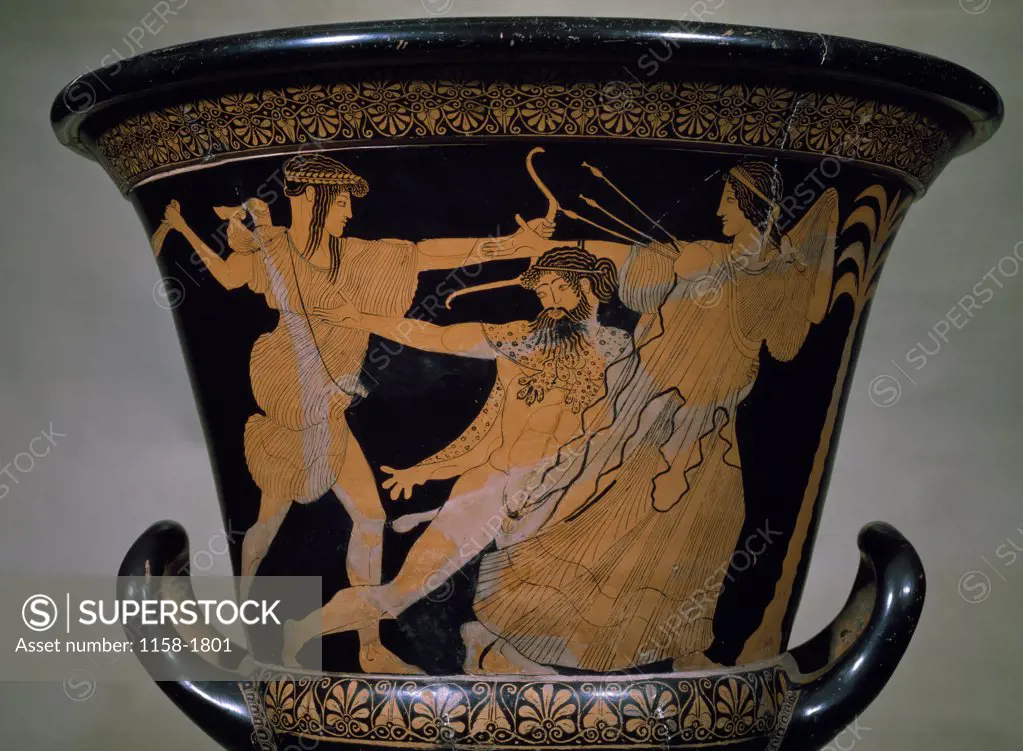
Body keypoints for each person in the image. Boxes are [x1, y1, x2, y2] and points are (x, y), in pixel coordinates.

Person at [431, 160, 840, 672]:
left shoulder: (767, 278)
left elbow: (785, 343)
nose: (718, 208)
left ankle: (683, 649)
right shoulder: (700, 256)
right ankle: (532, 637)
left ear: (750, 206)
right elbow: (633, 266)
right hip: (657, 413)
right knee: (615, 522)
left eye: (729, 201)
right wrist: (575, 250)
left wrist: (788, 276)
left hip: (712, 422)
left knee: (711, 526)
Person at [155, 153, 550, 673]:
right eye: (338, 201)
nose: (347, 212)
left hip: (332, 407)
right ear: (311, 199)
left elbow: (426, 254)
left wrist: (512, 247)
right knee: (269, 520)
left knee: (368, 518)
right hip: (293, 402)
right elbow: (237, 280)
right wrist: (213, 229)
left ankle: (368, 647)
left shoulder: (360, 257)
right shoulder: (274, 249)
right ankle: (250, 626)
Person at [282, 245, 630, 671]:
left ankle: (491, 655)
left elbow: (611, 431)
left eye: (560, 288)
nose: (550, 300)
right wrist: (359, 320)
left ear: (589, 288)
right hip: (492, 492)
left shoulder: (618, 349)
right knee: (402, 593)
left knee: (564, 595)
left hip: (556, 501)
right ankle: (295, 633)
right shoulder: (520, 337)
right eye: (543, 292)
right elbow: (440, 340)